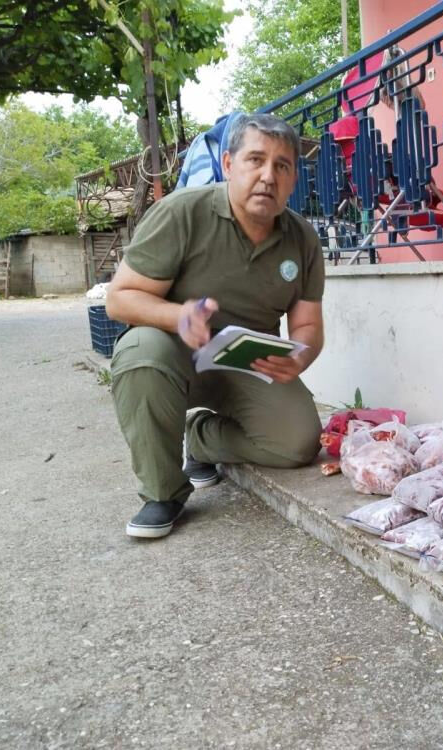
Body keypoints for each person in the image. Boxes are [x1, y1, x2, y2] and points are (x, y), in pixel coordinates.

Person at [106, 113, 325, 539]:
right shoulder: (182, 213)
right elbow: (120, 298)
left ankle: (203, 438)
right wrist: (179, 316)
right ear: (228, 165)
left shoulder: (302, 239)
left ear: (294, 178)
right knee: (141, 353)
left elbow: (309, 324)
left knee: (298, 441)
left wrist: (300, 355)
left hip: (248, 362)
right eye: (255, 160)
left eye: (282, 166)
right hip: (175, 354)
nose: (267, 176)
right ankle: (163, 492)